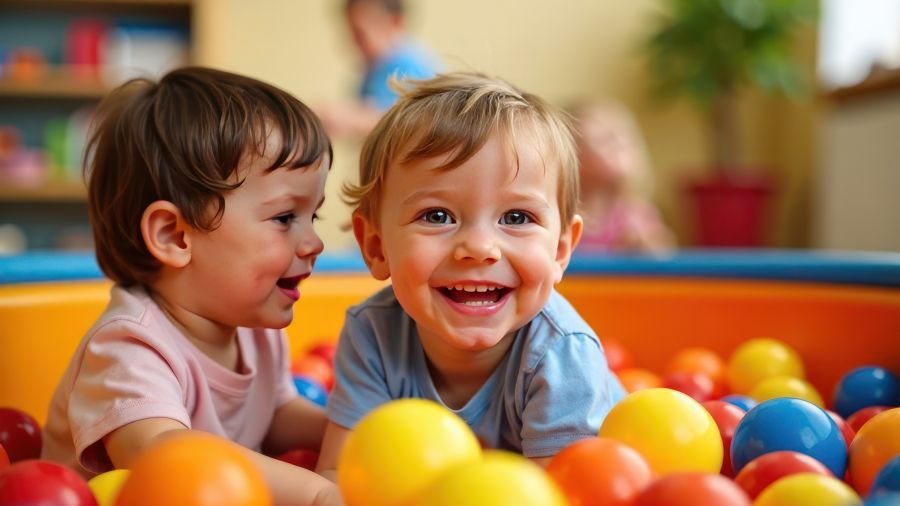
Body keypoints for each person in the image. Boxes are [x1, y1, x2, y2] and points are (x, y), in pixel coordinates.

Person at [40, 67, 343, 506]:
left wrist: (353, 428)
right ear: (175, 236)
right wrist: (317, 494)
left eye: (310, 216)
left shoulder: (252, 326)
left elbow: (275, 415)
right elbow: (162, 452)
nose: (314, 242)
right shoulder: (128, 347)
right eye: (284, 218)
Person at [315, 73, 626, 476]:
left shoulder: (562, 353)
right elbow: (340, 477)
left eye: (516, 217)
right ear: (376, 247)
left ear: (561, 250)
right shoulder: (372, 334)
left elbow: (557, 496)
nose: (480, 247)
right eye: (437, 216)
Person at [318, 0, 441, 138]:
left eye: (360, 33)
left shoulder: (409, 64)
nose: (354, 42)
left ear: (395, 22)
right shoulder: (374, 67)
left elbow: (405, 123)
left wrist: (349, 118)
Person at [569, 101, 674, 253]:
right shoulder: (562, 215)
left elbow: (665, 257)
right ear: (572, 153)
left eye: (626, 138)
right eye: (605, 140)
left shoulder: (635, 215)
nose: (620, 146)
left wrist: (647, 246)